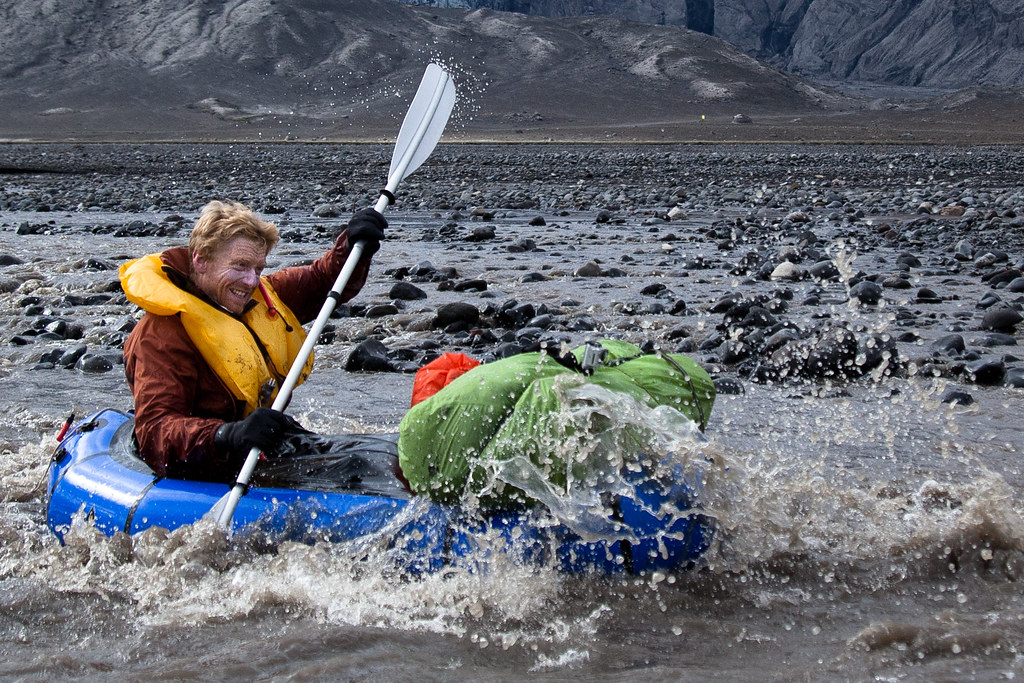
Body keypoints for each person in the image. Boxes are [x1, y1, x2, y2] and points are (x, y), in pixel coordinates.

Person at [120, 200, 386, 482]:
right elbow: (156, 431)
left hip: (260, 443)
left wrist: (353, 248)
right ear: (201, 260)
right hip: (205, 460)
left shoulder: (258, 297)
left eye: (258, 269)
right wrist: (226, 435)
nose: (250, 281)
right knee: (352, 474)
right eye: (240, 266)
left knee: (365, 460)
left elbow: (322, 280)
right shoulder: (161, 335)